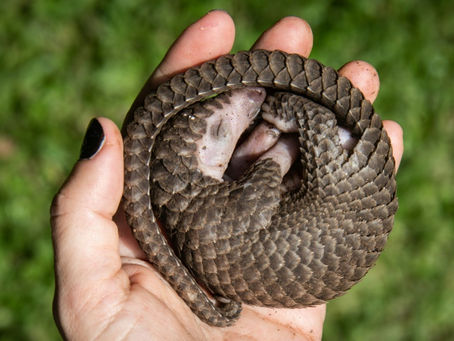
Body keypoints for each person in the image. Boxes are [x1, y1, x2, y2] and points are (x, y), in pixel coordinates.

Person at [50, 10, 403, 340]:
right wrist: (278, 140)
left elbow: (263, 184)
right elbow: (266, 177)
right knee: (306, 125)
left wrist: (273, 146)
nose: (252, 99)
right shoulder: (215, 226)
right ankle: (304, 116)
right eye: (221, 129)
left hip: (334, 207)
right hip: (349, 186)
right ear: (205, 157)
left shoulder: (207, 228)